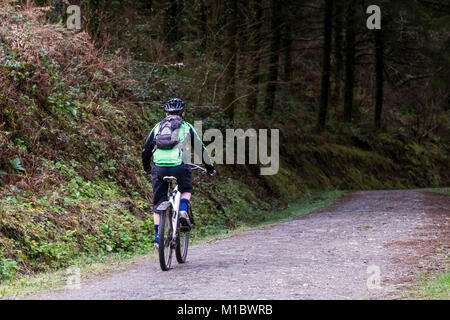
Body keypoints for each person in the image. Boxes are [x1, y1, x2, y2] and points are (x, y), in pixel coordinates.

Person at [142, 98, 215, 248]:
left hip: (159, 168)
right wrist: (209, 168)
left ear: (166, 113)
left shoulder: (158, 127)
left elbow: (146, 150)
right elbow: (200, 149)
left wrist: (147, 167)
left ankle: (157, 238)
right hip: (179, 167)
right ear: (183, 113)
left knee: (158, 202)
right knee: (186, 188)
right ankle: (182, 210)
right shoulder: (186, 126)